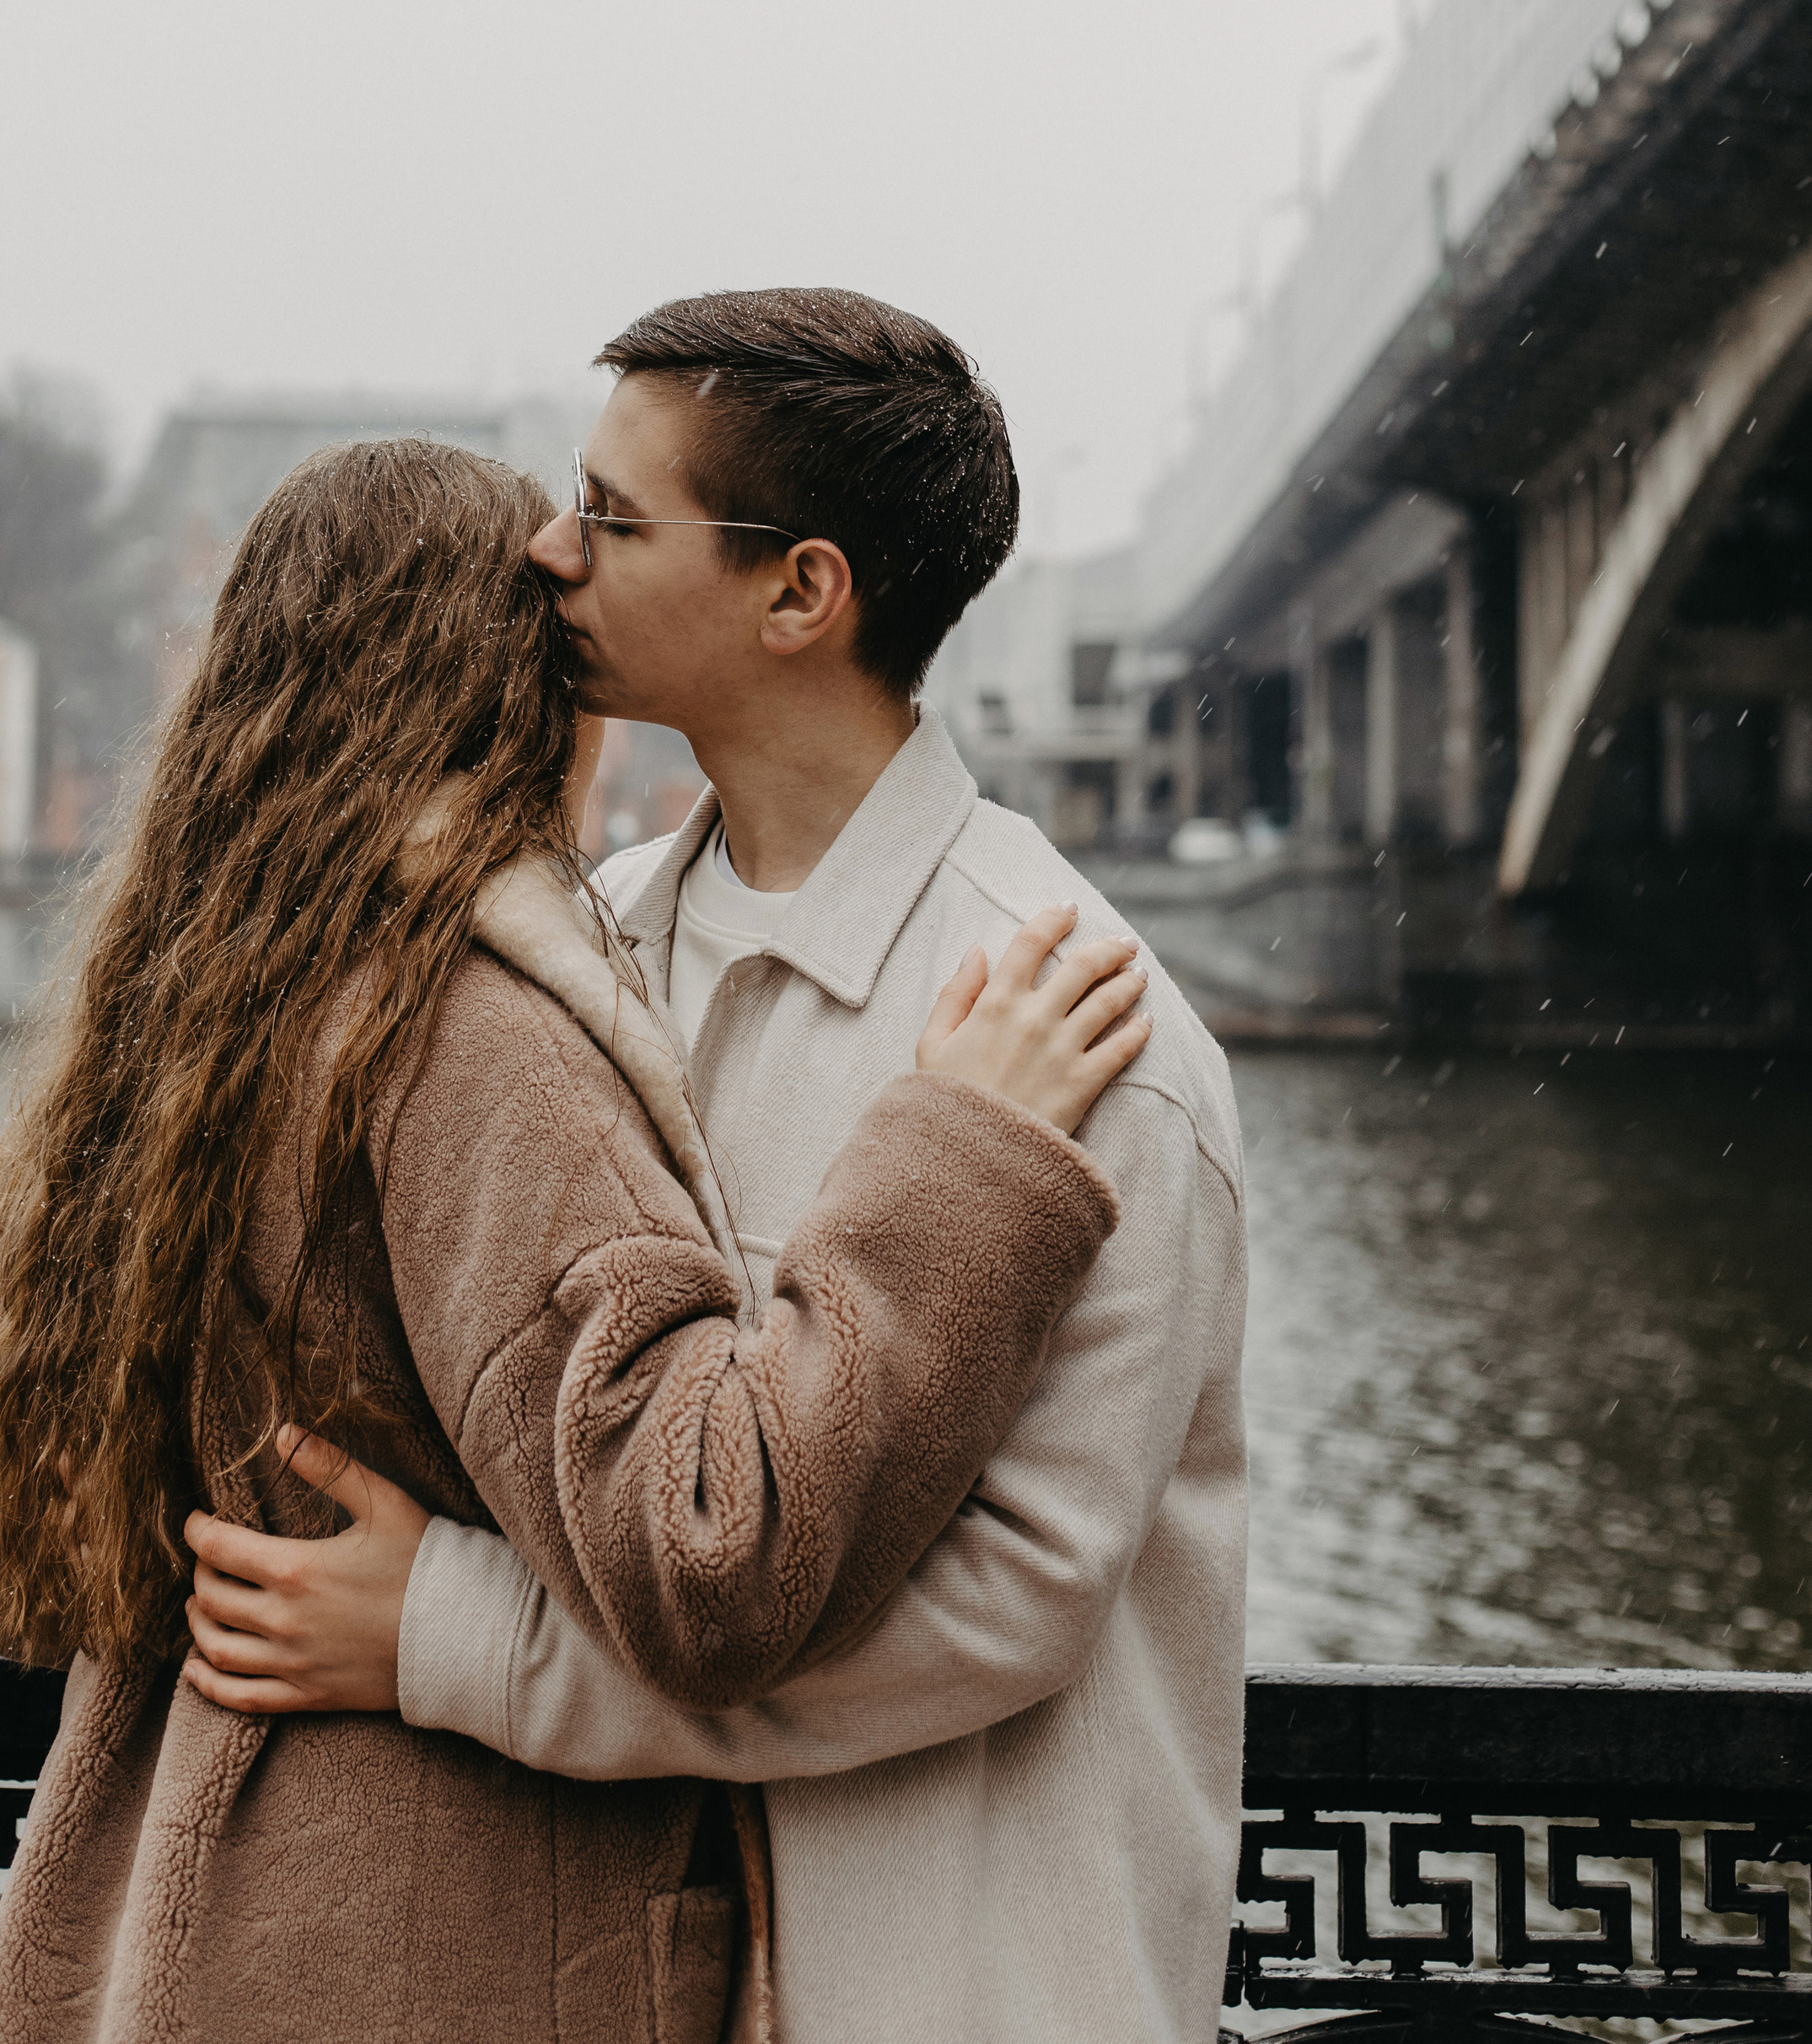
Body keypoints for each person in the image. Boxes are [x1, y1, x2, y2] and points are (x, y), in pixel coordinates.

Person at [0, 434, 1152, 2044]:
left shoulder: (189, 1012)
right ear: (515, 682)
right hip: (426, 1942)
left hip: (166, 1921)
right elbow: (717, 1554)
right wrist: (965, 1159)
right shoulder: (463, 1028)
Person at [182, 290, 1250, 2044]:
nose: (545, 551)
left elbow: (999, 1610)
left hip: (950, 1987)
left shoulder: (1077, 1036)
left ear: (797, 591)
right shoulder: (566, 963)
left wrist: (454, 1644)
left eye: (610, 519)